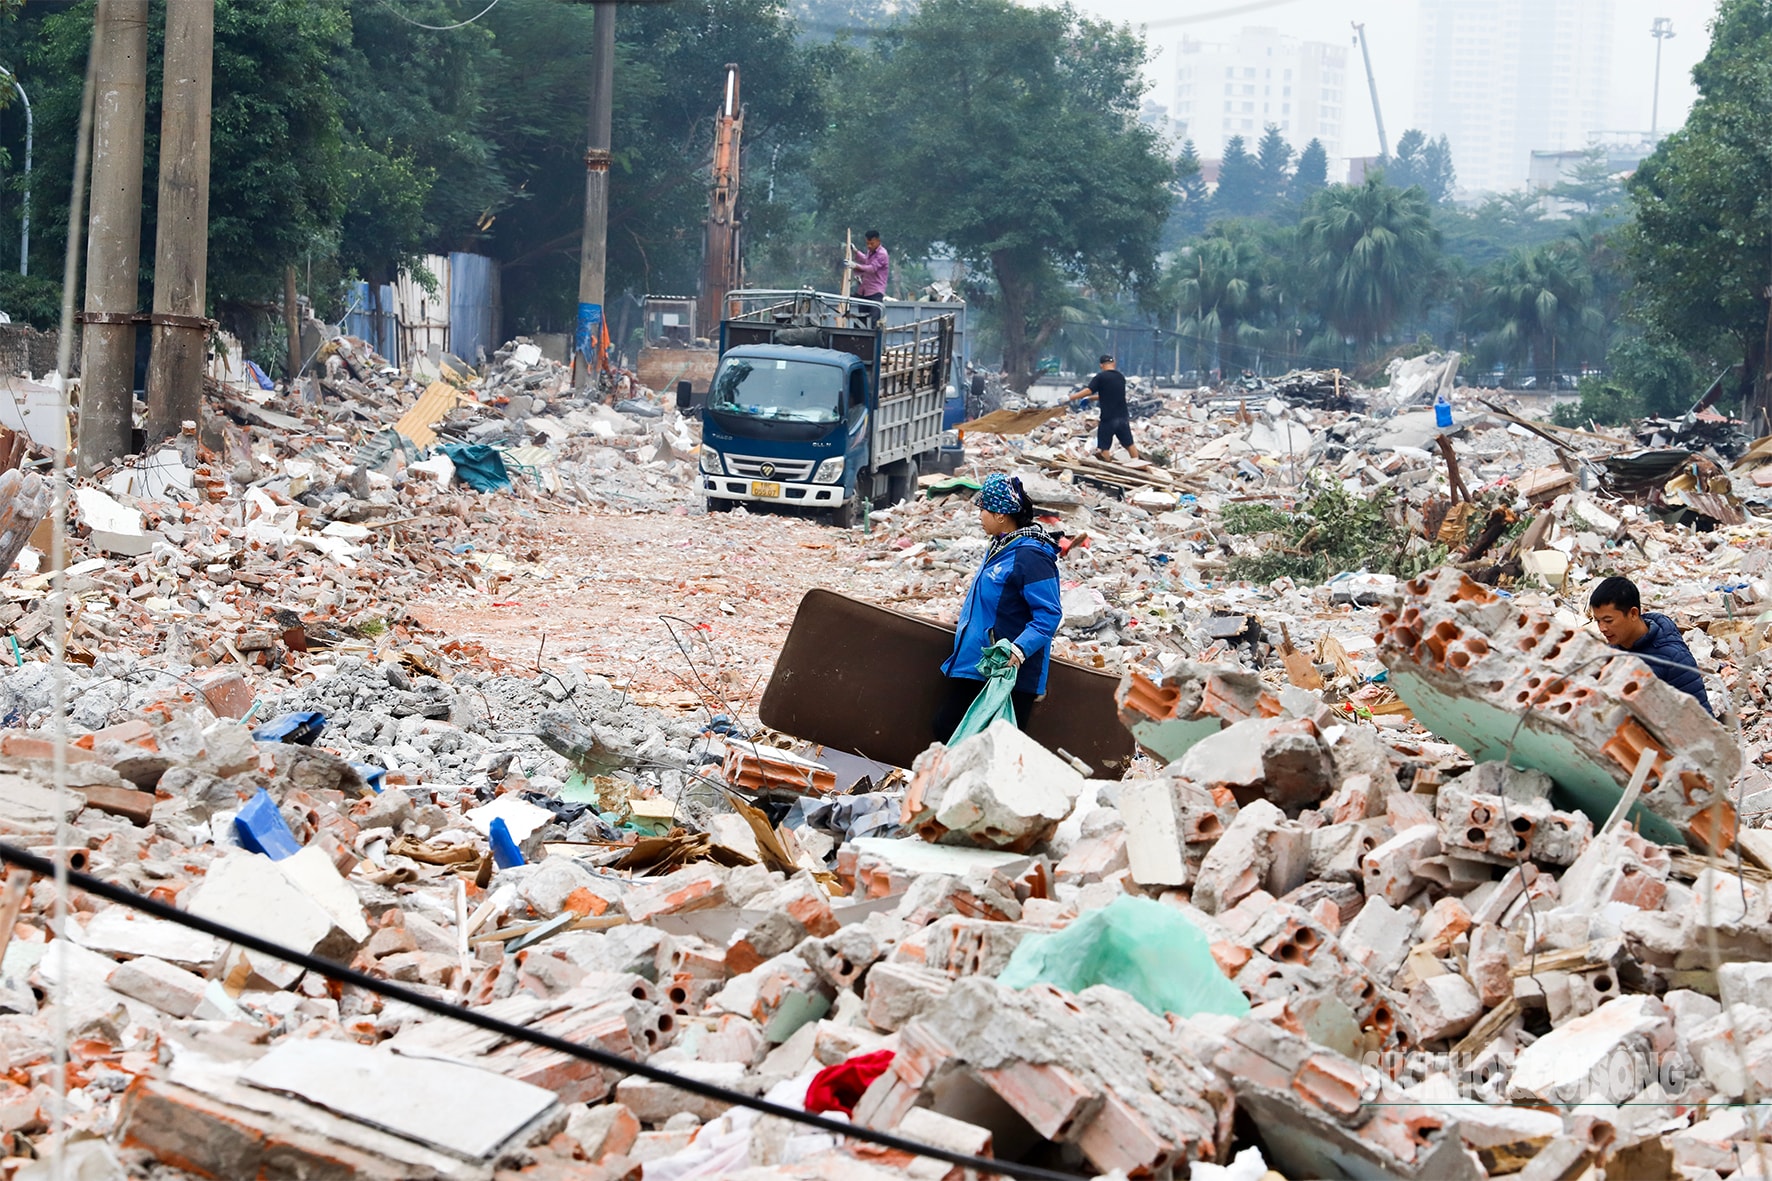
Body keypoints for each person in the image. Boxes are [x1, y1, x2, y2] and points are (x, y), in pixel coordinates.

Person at [932, 473, 1063, 739]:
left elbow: (1049, 613)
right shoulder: (1001, 547)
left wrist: (1018, 649)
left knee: (977, 743)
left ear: (1001, 515)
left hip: (1005, 673)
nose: (980, 515)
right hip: (978, 665)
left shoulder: (1031, 556)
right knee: (950, 732)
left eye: (984, 509)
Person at [1589, 576, 1713, 715]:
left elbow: (1703, 717)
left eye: (1608, 620)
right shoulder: (1613, 651)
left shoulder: (1674, 659)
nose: (1602, 628)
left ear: (1633, 614)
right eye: (1598, 621)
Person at [1068, 354, 1139, 463]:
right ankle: (1138, 464)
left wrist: (1071, 397)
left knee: (1104, 447)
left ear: (1101, 365)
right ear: (1113, 363)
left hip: (1108, 418)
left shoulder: (1100, 377)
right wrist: (1091, 398)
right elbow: (1112, 394)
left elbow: (1089, 390)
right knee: (1129, 444)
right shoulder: (1120, 377)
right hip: (1122, 418)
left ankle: (1107, 466)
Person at [848, 230, 890, 328]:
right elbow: (866, 260)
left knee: (873, 322)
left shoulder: (882, 254)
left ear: (878, 241)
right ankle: (858, 341)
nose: (869, 246)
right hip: (865, 291)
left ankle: (873, 341)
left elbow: (872, 268)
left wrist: (855, 266)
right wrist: (856, 251)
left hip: (875, 292)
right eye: (867, 243)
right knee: (861, 320)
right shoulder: (870, 252)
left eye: (872, 243)